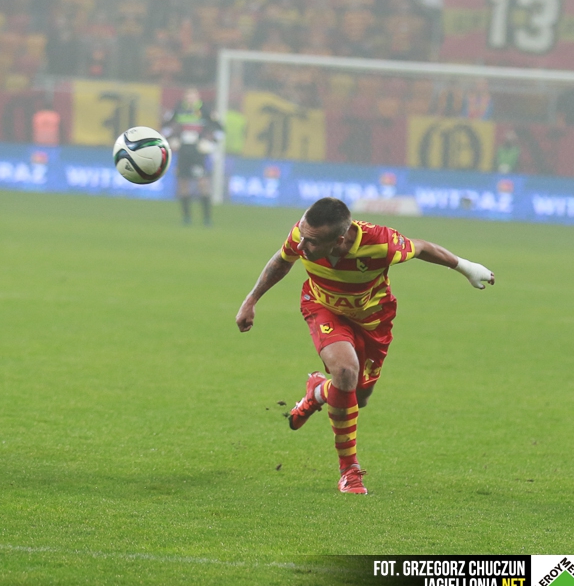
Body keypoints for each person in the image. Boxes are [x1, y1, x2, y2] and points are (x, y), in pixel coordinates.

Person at [235, 198, 494, 495]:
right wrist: (251, 300)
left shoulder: (381, 243)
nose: (302, 245)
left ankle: (318, 391)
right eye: (303, 237)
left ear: (339, 241)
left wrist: (466, 267)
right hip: (323, 307)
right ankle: (349, 471)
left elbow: (422, 247)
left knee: (357, 397)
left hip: (373, 319)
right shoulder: (303, 235)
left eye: (312, 242)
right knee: (346, 372)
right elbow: (282, 260)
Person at [163, 87, 221, 226]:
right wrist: (171, 140)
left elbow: (219, 130)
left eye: (193, 96)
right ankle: (186, 217)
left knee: (202, 183)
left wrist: (210, 144)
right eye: (188, 96)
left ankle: (207, 218)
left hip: (198, 152)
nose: (190, 99)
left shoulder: (205, 110)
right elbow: (166, 127)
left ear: (198, 97)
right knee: (183, 183)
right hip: (183, 150)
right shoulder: (178, 110)